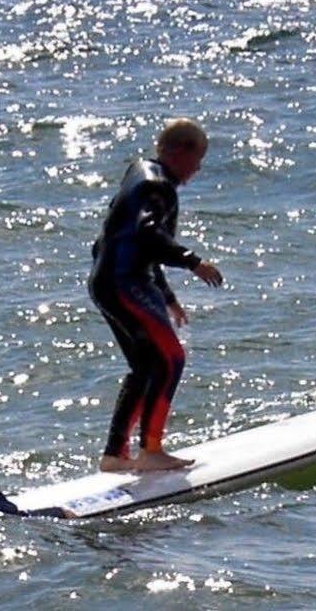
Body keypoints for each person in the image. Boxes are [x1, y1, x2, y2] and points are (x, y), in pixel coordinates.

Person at [89, 118, 223, 473]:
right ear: (181, 151)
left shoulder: (139, 171)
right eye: (199, 158)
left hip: (107, 281)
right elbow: (147, 235)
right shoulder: (158, 186)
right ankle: (151, 451)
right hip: (124, 283)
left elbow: (130, 242)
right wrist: (193, 262)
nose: (199, 168)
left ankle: (115, 455)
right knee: (170, 359)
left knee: (145, 364)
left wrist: (167, 297)